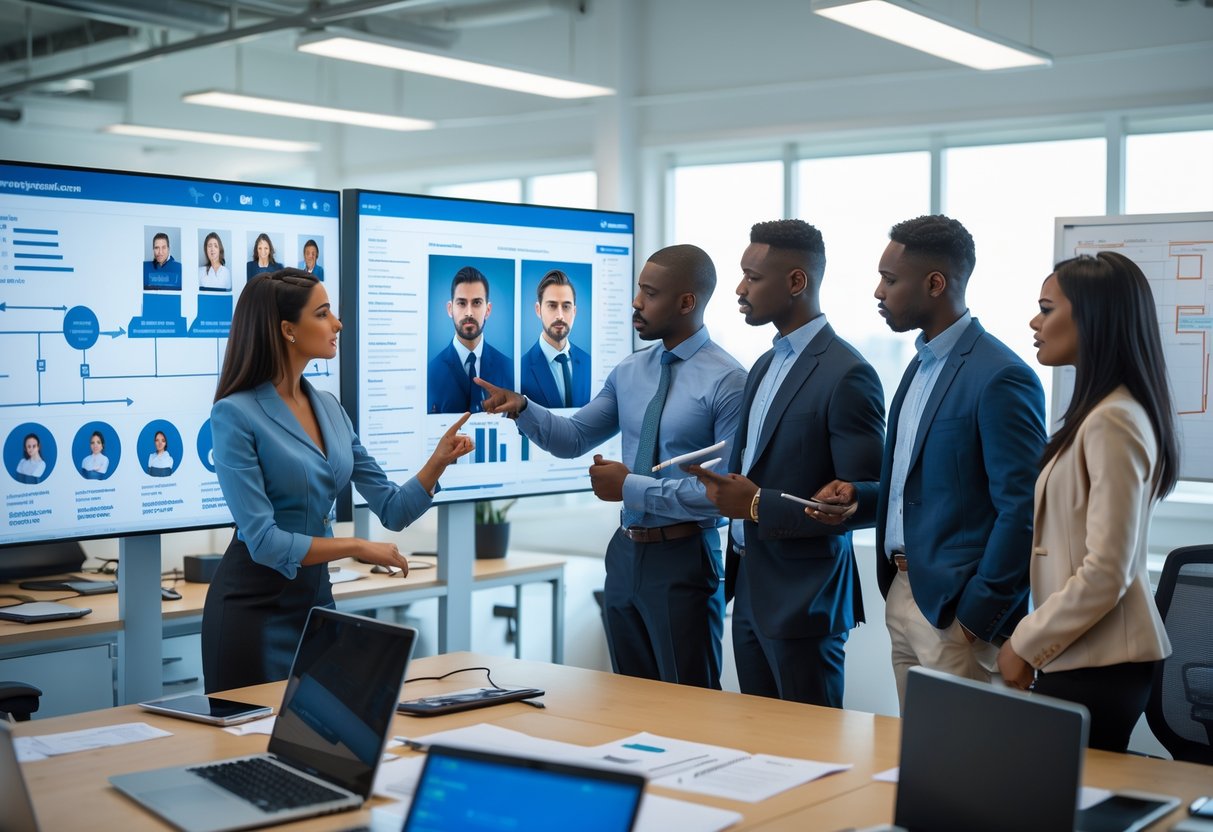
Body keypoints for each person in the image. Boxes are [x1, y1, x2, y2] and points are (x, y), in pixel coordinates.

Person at [476, 245, 747, 689]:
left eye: (650, 294)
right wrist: (522, 407)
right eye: (639, 290)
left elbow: (722, 496)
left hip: (685, 557)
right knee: (629, 699)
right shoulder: (629, 371)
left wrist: (631, 488)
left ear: (686, 302)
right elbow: (573, 438)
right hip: (626, 554)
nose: (636, 303)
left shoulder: (729, 381)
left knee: (691, 702)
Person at [812, 214, 1046, 712]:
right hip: (903, 591)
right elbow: (922, 486)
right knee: (918, 749)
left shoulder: (1001, 376)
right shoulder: (919, 365)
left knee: (964, 757)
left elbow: (1024, 509)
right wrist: (861, 497)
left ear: (935, 284)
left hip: (956, 611)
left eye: (890, 280)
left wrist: (976, 617)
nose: (879, 292)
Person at [201, 269, 473, 692]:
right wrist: (356, 546)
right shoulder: (234, 414)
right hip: (253, 612)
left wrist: (437, 462)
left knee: (318, 729)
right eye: (323, 313)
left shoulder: (329, 407)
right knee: (254, 733)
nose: (338, 324)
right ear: (288, 330)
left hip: (316, 606)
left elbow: (393, 510)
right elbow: (265, 542)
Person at [687, 220, 884, 708]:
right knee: (759, 742)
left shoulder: (848, 373)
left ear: (796, 281)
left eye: (752, 277)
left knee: (812, 745)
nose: (739, 289)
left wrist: (756, 505)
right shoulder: (763, 365)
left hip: (805, 599)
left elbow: (866, 499)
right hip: (750, 589)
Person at [997, 252, 1176, 752]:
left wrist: (1025, 642)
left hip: (1100, 661)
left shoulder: (1112, 419)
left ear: (1093, 318)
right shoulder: (1104, 412)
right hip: (1085, 654)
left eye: (1047, 309)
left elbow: (1106, 571)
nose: (1034, 322)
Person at [427, 265, 514, 414]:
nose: (469, 313)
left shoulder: (509, 369)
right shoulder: (430, 373)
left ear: (488, 310)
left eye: (476, 303)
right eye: (461, 303)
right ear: (450, 309)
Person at [520, 269, 591, 408]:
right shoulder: (520, 370)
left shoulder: (590, 363)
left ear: (574, 311)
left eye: (566, 306)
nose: (560, 315)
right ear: (538, 310)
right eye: (552, 306)